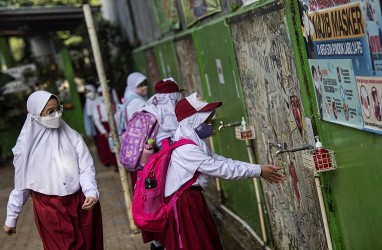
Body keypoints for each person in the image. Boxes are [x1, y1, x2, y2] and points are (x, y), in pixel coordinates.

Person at [159, 92, 285, 250]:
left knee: (205, 242)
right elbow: (222, 169)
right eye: (206, 119)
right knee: (197, 244)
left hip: (191, 200)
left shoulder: (189, 141)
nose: (209, 123)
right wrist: (258, 171)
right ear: (193, 120)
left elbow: (221, 161)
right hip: (185, 204)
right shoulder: (187, 149)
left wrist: (258, 168)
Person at [3, 90, 103, 250]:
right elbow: (22, 185)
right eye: (50, 112)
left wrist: (91, 192)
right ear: (35, 114)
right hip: (50, 207)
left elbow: (86, 167)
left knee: (90, 244)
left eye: (58, 109)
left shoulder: (72, 136)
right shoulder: (24, 149)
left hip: (81, 201)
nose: (56, 115)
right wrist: (11, 218)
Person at [138, 77, 184, 250]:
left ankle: (160, 243)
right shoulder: (167, 113)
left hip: (152, 172)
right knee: (170, 211)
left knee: (157, 208)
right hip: (166, 174)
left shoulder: (149, 109)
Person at [92, 86, 118, 168]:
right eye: (101, 94)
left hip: (115, 126)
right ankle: (114, 163)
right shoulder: (97, 107)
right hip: (105, 127)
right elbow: (97, 120)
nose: (103, 96)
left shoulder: (114, 105)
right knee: (108, 147)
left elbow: (118, 116)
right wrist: (104, 131)